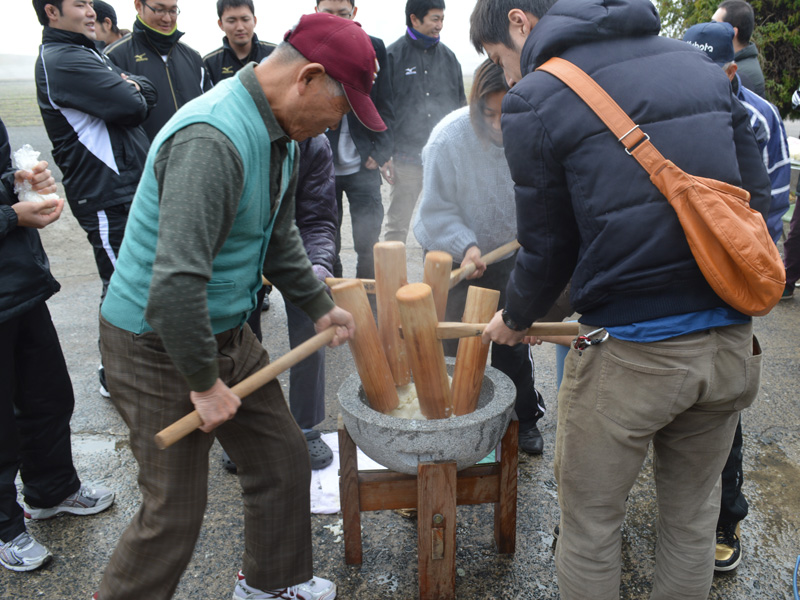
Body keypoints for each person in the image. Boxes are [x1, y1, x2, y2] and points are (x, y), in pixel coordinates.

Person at [470, 1, 771, 598]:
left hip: (635, 358)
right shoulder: (702, 67)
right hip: (730, 346)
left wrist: (515, 317)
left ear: (518, 23)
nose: (506, 77)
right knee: (689, 525)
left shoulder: (537, 97)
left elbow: (547, 247)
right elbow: (753, 194)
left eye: (497, 60)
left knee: (590, 527)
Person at [95, 12, 383, 599]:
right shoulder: (214, 137)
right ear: (308, 77)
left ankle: (268, 586)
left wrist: (318, 305)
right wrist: (203, 382)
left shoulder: (280, 135)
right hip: (155, 340)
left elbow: (276, 236)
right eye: (340, 107)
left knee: (281, 462)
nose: (336, 125)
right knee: (173, 511)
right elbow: (174, 285)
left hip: (225, 331)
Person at [413, 59, 567, 455]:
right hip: (456, 257)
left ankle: (524, 417)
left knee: (512, 342)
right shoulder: (448, 139)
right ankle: (459, 421)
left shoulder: (535, 133)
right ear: (475, 106)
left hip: (511, 253)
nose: (500, 124)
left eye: (508, 112)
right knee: (459, 344)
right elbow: (435, 210)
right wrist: (465, 244)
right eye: (489, 114)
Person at [683, 20, 792, 572]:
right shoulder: (664, 103)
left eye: (711, 71)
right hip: (675, 287)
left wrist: (742, 265)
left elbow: (772, 201)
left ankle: (726, 521)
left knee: (724, 411)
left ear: (731, 66)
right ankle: (675, 517)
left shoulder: (757, 114)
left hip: (730, 289)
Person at [0, 116, 115, 573]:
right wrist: (10, 215)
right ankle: (6, 527)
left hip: (19, 284)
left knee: (48, 396)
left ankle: (52, 490)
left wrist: (22, 182)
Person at [33, 0, 156, 396]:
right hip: (106, 195)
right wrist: (130, 87)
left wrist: (131, 86)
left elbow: (145, 89)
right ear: (52, 11)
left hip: (127, 188)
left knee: (141, 281)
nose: (90, 10)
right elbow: (133, 104)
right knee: (123, 284)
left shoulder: (86, 53)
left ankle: (131, 364)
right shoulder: (61, 59)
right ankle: (115, 373)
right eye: (80, 3)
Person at [240, 134, 339, 472]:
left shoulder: (315, 143)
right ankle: (243, 430)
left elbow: (318, 220)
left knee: (313, 322)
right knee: (240, 339)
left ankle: (306, 426)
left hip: (296, 248)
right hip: (238, 250)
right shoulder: (238, 133)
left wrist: (316, 269)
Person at [315, 0, 395, 280]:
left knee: (368, 242)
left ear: (355, 13)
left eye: (344, 14)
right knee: (325, 243)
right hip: (321, 166)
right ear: (316, 12)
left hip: (365, 163)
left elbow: (385, 104)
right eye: (328, 14)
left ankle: (369, 306)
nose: (336, 20)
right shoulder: (306, 48)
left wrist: (383, 149)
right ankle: (333, 301)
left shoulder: (374, 47)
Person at [384, 0, 465, 245]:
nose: (440, 25)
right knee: (397, 224)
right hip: (407, 158)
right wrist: (385, 153)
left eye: (442, 19)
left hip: (444, 160)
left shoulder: (450, 58)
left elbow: (461, 108)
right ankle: (390, 277)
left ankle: (438, 279)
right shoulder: (392, 56)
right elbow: (383, 109)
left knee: (444, 221)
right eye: (434, 19)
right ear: (415, 19)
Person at [105, 0, 212, 141]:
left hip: (194, 156)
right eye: (159, 10)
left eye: (173, 11)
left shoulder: (193, 57)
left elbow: (210, 110)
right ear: (138, 6)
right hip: (146, 159)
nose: (167, 18)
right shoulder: (114, 56)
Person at [203, 0, 276, 86]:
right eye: (231, 21)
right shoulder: (209, 63)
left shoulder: (275, 54)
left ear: (254, 21)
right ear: (221, 24)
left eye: (245, 20)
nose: (240, 27)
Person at [712, 0, 766, 98]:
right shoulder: (734, 63)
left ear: (732, 32)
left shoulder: (743, 76)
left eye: (715, 24)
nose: (709, 28)